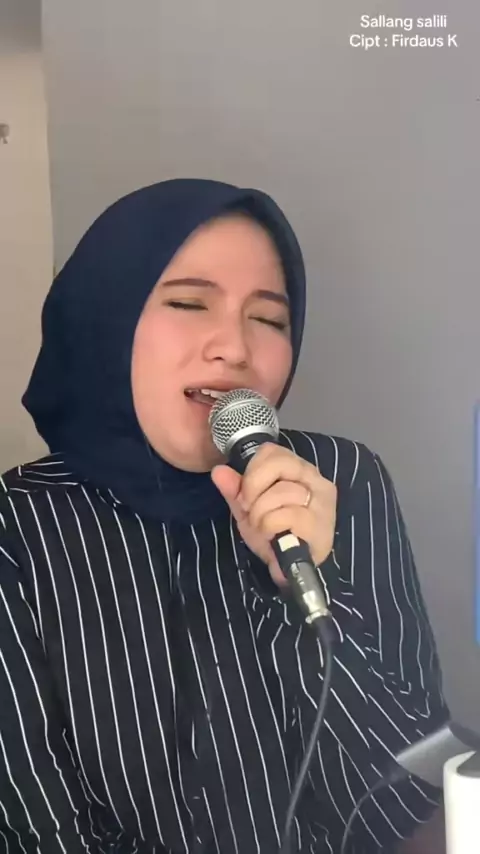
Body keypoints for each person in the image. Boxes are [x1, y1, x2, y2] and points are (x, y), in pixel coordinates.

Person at [0, 178, 448, 854]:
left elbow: (408, 798)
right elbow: (41, 831)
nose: (235, 349)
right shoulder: (20, 527)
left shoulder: (341, 481)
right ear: (103, 318)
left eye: (269, 319)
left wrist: (303, 583)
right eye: (188, 303)